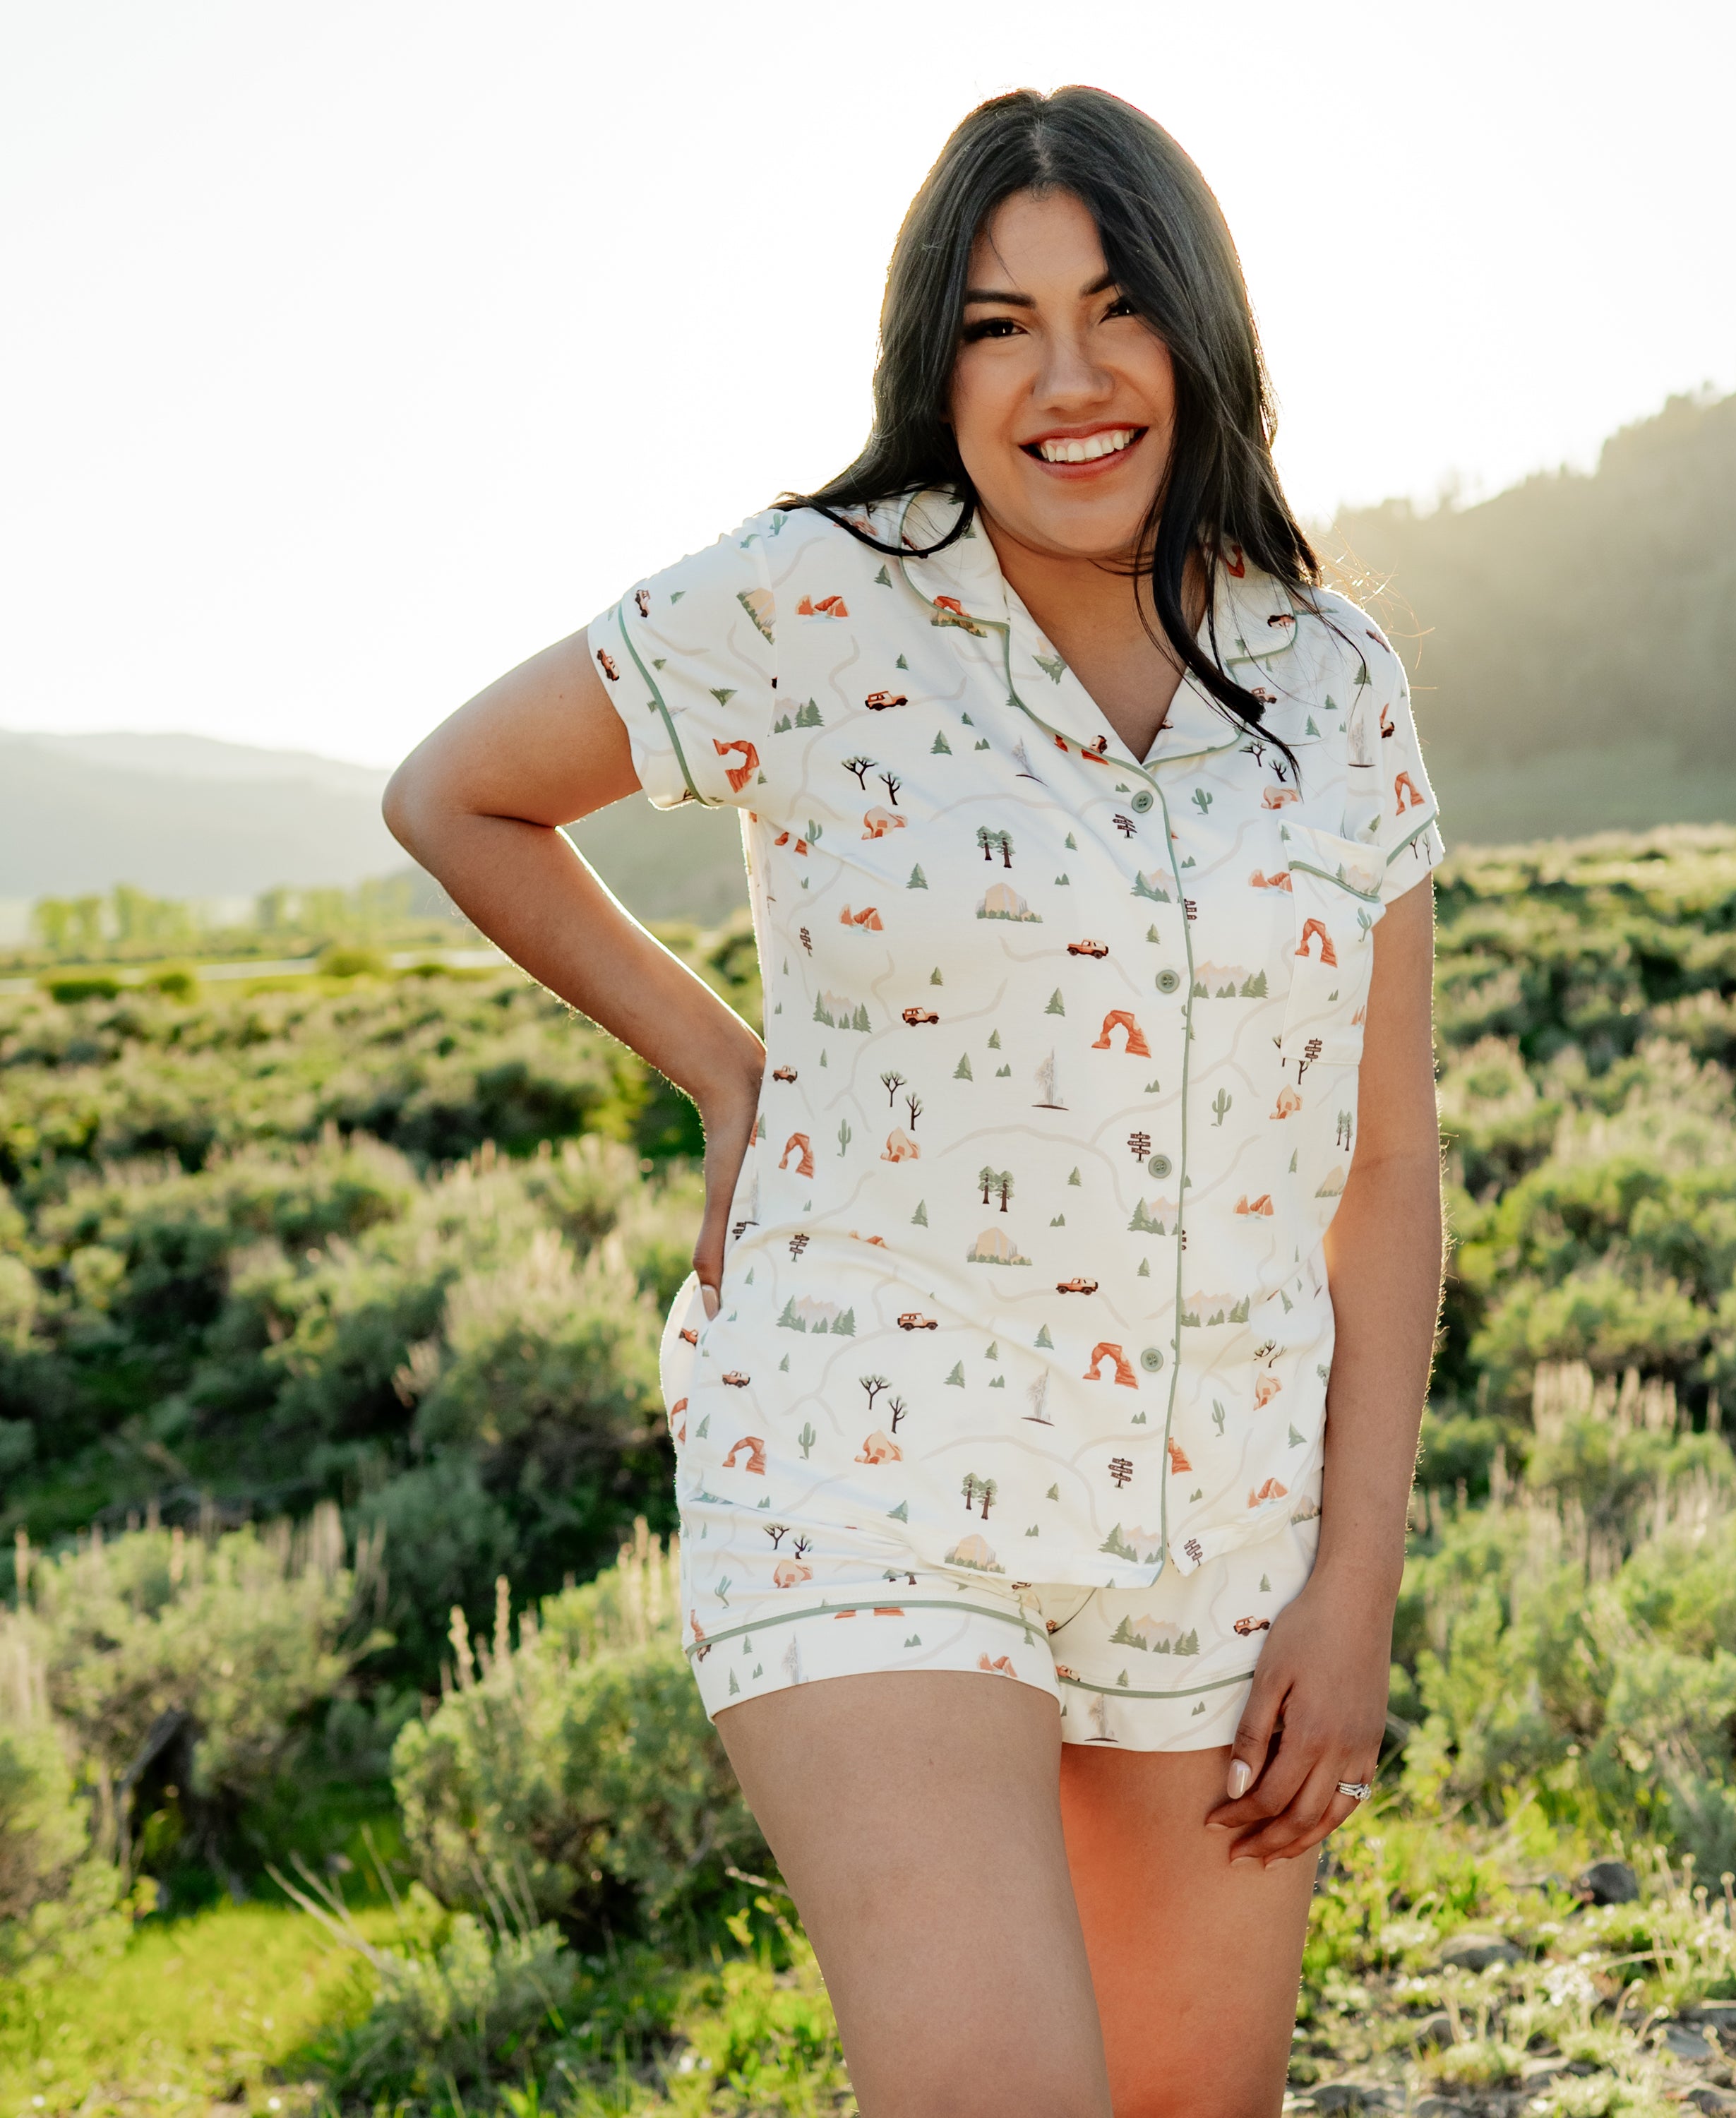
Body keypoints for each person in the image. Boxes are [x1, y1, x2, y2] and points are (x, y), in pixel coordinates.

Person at [385, 83, 1445, 2118]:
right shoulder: (811, 597)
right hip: (871, 1457)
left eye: (1116, 307)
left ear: (1203, 332)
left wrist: (1353, 1579)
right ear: (928, 358)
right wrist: (724, 1074)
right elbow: (459, 794)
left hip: (1222, 1516)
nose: (1065, 376)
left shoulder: (1335, 679)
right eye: (995, 322)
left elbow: (1383, 1164)